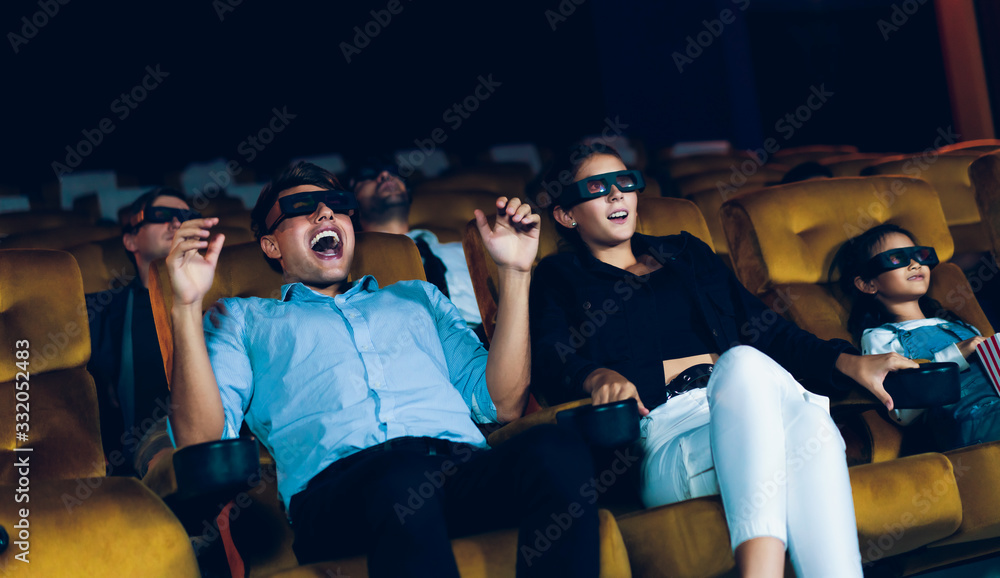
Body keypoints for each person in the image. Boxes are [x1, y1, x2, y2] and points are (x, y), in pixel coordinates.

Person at [164, 161, 598, 577]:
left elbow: (501, 403)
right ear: (271, 245)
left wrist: (515, 271)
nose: (324, 211)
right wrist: (185, 307)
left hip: (458, 469)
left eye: (335, 203)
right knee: (401, 480)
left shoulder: (420, 297)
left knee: (557, 449)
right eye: (300, 208)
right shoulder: (243, 318)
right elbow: (200, 440)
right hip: (340, 493)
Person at [529, 142, 916, 578]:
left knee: (808, 423)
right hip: (669, 438)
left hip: (750, 408)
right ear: (566, 214)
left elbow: (767, 329)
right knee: (757, 377)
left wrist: (851, 363)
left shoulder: (685, 254)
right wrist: (594, 374)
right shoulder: (560, 277)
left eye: (625, 182)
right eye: (597, 188)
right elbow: (548, 354)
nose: (617, 195)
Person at [837, 223, 1000, 450]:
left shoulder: (958, 325)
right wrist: (957, 353)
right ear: (867, 284)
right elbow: (901, 409)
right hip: (968, 419)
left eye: (919, 255)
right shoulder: (880, 337)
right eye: (896, 258)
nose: (915, 264)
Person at [86, 187, 201, 477]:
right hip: (156, 441)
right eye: (161, 216)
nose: (176, 224)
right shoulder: (104, 310)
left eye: (186, 218)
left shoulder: (225, 298)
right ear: (130, 239)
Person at [348, 159, 483, 331]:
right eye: (368, 176)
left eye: (393, 172)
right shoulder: (352, 267)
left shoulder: (463, 251)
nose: (385, 176)